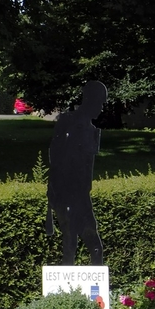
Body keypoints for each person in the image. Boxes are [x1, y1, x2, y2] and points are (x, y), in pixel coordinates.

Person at [46, 81, 106, 265]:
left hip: (81, 194)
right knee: (70, 243)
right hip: (65, 192)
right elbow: (56, 156)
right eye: (100, 102)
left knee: (94, 245)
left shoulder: (92, 131)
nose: (102, 108)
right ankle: (67, 292)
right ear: (90, 100)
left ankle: (95, 289)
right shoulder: (68, 121)